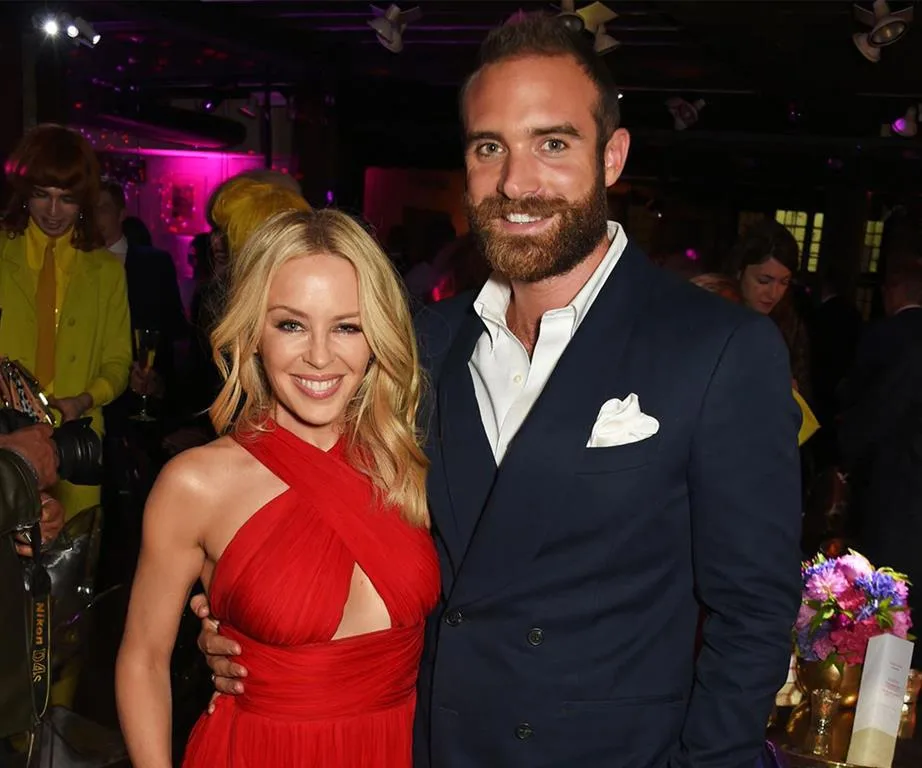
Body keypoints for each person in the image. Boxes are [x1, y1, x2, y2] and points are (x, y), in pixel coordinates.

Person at [200, 15, 802, 767]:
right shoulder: (422, 342)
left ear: (611, 155)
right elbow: (320, 502)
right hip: (428, 742)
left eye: (553, 143)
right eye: (491, 148)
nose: (517, 182)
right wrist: (232, 611)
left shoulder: (720, 348)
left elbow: (752, 611)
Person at [115, 209, 439, 768]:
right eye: (291, 324)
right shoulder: (196, 484)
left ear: (378, 335)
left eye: (348, 325)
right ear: (253, 333)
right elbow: (143, 658)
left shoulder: (411, 465)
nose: (319, 355)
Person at [0, 124, 131, 520]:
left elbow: (118, 363)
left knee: (68, 571)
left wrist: (84, 400)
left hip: (75, 448)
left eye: (67, 199)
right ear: (25, 194)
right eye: (42, 195)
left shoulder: (106, 271)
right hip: (6, 442)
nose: (53, 212)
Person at [733, 218, 813, 401]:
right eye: (764, 281)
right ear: (739, 271)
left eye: (784, 282)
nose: (774, 293)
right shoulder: (717, 317)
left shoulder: (789, 326)